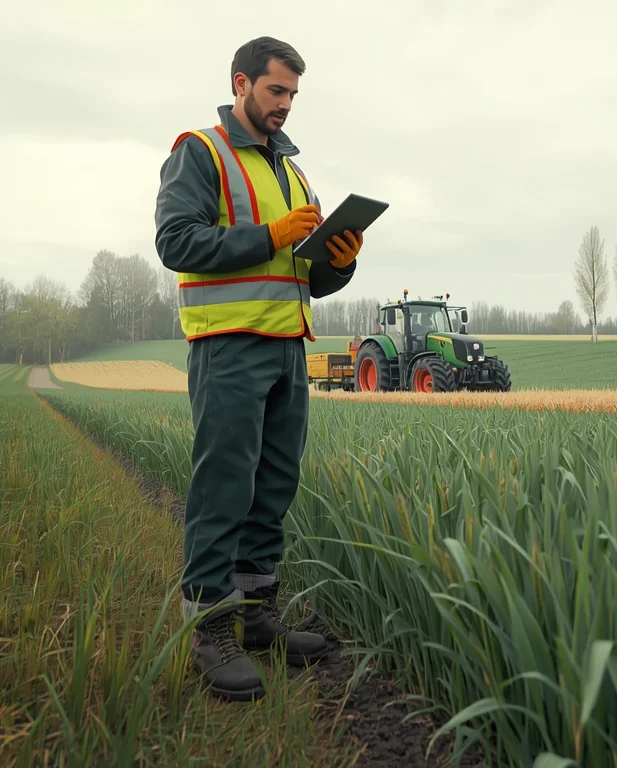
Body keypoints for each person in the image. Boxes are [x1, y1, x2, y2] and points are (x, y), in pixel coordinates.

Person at [154, 36, 362, 701]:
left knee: (273, 485)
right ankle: (209, 631)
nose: (286, 105)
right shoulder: (201, 152)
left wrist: (340, 260)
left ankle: (254, 618)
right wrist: (272, 235)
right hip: (229, 346)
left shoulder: (293, 173)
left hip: (287, 346)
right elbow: (175, 241)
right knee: (224, 486)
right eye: (276, 91)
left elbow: (306, 273)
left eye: (293, 95)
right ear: (241, 83)